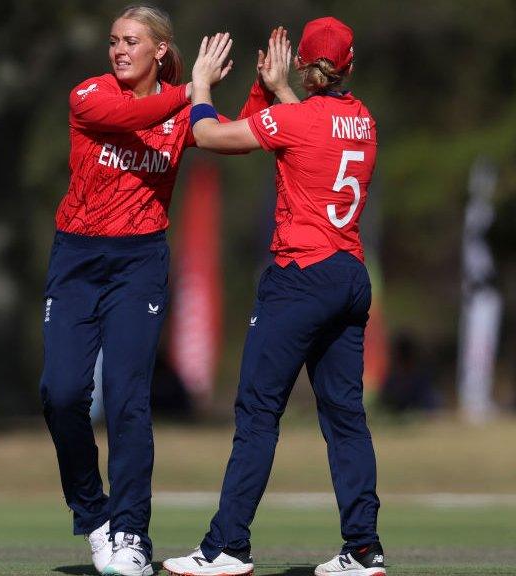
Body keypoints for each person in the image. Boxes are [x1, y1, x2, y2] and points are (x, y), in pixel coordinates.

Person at [39, 5, 276, 575]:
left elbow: (231, 138)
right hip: (76, 256)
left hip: (138, 262)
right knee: (61, 394)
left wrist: (265, 92)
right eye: (114, 40)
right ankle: (92, 512)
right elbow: (138, 115)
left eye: (132, 41)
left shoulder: (179, 109)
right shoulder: (89, 96)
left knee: (126, 396)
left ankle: (130, 533)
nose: (119, 50)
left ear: (160, 51)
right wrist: (194, 87)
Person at [162, 18, 386, 576]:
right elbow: (313, 126)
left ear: (305, 67)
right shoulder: (363, 121)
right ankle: (363, 549)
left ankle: (226, 547)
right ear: (349, 68)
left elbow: (210, 137)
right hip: (350, 276)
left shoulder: (296, 118)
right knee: (345, 418)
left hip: (300, 277)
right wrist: (283, 87)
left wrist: (203, 85)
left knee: (259, 412)